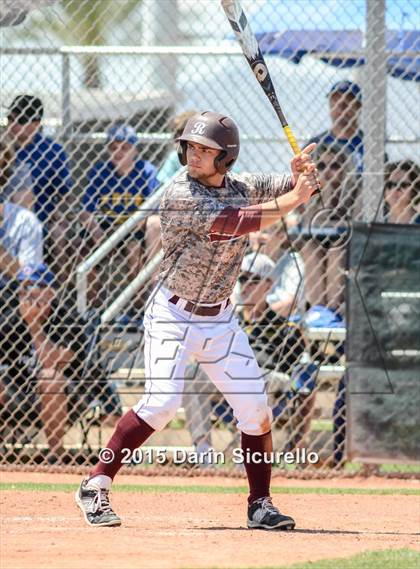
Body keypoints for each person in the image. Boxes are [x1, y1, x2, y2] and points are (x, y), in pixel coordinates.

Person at [75, 110, 319, 529]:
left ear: (226, 157)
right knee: (162, 403)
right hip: (172, 314)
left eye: (205, 150)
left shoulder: (240, 185)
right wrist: (296, 196)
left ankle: (259, 504)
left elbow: (288, 187)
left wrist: (300, 176)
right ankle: (94, 485)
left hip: (220, 320)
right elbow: (236, 222)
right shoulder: (180, 194)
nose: (194, 154)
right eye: (190, 146)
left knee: (256, 410)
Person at [0, 263, 123, 462]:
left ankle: (55, 455)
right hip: (21, 393)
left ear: (49, 292)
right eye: (21, 288)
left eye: (32, 287)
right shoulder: (12, 319)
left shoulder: (67, 318)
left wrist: (33, 326)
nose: (25, 294)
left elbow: (53, 363)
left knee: (50, 378)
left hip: (68, 396)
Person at [80, 125, 159, 305]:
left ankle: (138, 309)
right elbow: (85, 211)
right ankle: (93, 310)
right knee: (83, 253)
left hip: (133, 230)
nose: (118, 152)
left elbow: (153, 211)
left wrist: (125, 233)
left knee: (135, 254)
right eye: (113, 147)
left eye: (124, 147)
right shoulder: (100, 171)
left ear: (134, 149)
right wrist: (97, 233)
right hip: (105, 228)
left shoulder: (146, 171)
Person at [6, 94, 73, 274]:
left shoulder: (52, 151)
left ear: (36, 124)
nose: (13, 124)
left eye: (20, 120)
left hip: (42, 217)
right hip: (4, 216)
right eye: (10, 118)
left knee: (59, 232)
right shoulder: (3, 147)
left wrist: (60, 212)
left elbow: (66, 194)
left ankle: (60, 291)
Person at [309, 80, 363, 172]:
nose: (341, 107)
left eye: (347, 101)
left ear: (358, 107)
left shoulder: (368, 143)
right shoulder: (316, 144)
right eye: (335, 101)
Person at [384, 160, 420, 224]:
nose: (393, 190)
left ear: (414, 190)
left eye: (402, 185)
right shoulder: (378, 219)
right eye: (389, 185)